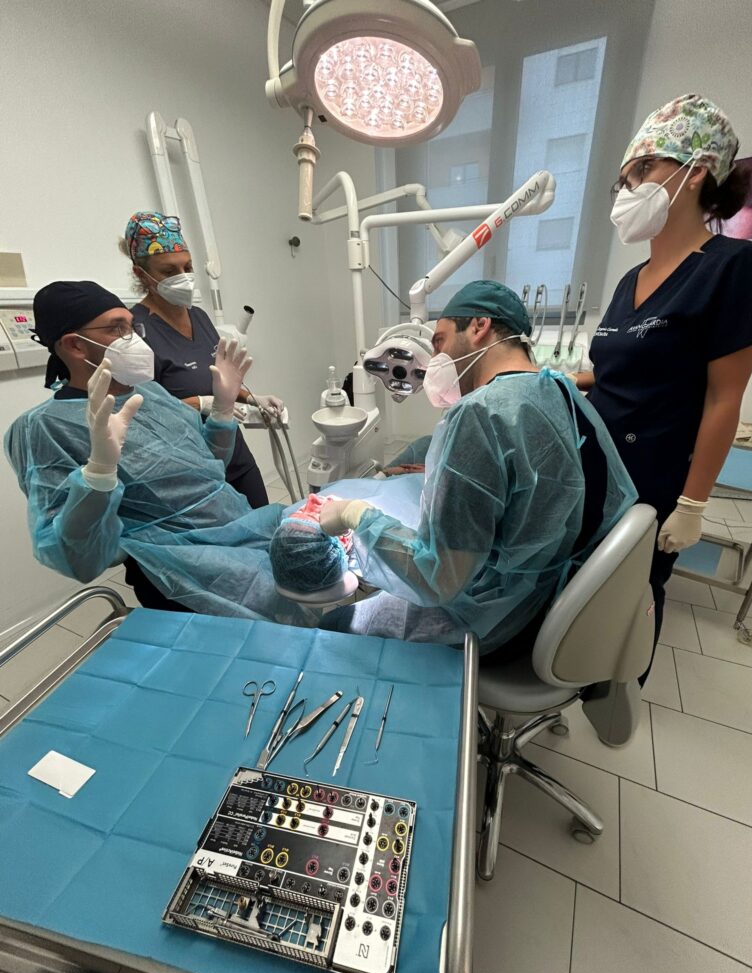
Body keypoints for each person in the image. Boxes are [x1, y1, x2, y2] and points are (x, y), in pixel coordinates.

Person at [318, 280, 638, 654]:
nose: (434, 359)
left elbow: (437, 578)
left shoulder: (481, 414)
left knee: (334, 627)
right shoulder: (560, 390)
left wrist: (355, 515)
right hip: (554, 599)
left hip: (495, 619)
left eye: (439, 342)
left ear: (479, 326)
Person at [574, 95, 752, 666]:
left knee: (629, 601)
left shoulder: (735, 267)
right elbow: (619, 372)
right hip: (594, 467)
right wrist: (558, 379)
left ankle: (619, 691)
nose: (629, 189)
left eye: (642, 170)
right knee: (578, 594)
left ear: (696, 171)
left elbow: (724, 398)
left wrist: (693, 503)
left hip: (653, 483)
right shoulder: (631, 279)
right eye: (625, 179)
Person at [4, 280, 312, 625]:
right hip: (180, 571)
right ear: (75, 345)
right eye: (116, 328)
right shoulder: (44, 428)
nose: (133, 338)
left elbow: (208, 466)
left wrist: (223, 408)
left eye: (131, 326)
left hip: (238, 530)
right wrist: (99, 472)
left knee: (309, 584)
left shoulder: (151, 392)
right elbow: (78, 558)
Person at [120, 211, 284, 508]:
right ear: (141, 274)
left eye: (187, 267)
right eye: (169, 271)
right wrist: (203, 403)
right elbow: (144, 414)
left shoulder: (199, 316)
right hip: (189, 466)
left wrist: (250, 397)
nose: (183, 276)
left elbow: (219, 379)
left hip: (234, 452)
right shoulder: (135, 333)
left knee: (264, 520)